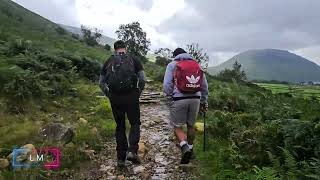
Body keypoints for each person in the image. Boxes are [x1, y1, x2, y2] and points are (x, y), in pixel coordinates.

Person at [99, 40, 146, 167]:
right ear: (125, 48)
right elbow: (142, 79)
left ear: (114, 49)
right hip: (131, 96)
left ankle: (120, 159)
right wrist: (138, 92)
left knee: (120, 126)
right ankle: (132, 151)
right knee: (135, 123)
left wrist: (109, 95)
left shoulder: (109, 61)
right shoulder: (134, 59)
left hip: (115, 97)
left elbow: (101, 82)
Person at [163, 48, 208, 164]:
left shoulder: (172, 65)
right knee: (191, 125)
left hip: (179, 98)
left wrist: (169, 98)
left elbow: (167, 84)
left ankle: (184, 146)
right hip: (195, 99)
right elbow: (204, 85)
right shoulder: (196, 65)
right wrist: (203, 101)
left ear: (175, 56)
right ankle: (191, 149)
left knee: (177, 127)